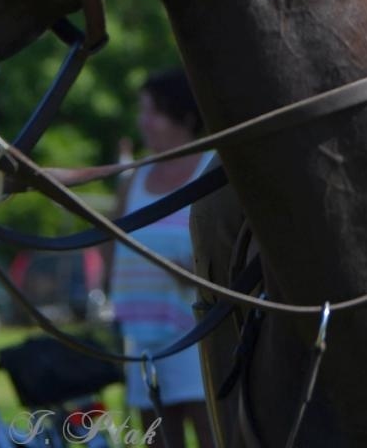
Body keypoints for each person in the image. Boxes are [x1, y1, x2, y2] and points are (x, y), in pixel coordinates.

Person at [110, 68, 216, 448]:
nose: (143, 122)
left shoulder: (212, 170)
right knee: (157, 438)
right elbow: (112, 242)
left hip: (201, 336)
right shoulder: (134, 178)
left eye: (153, 112)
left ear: (183, 117)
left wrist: (193, 272)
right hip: (142, 338)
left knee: (210, 433)